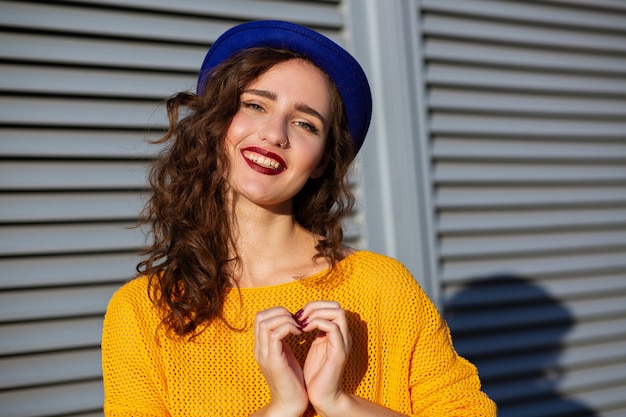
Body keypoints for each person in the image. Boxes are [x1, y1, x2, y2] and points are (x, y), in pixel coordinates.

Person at [101, 20, 496, 417]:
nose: (275, 133)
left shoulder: (382, 289)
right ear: (217, 122)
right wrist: (283, 407)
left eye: (305, 123)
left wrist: (339, 402)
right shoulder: (143, 313)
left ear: (323, 159)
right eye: (255, 105)